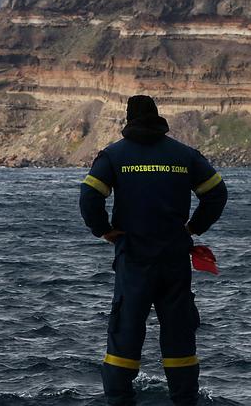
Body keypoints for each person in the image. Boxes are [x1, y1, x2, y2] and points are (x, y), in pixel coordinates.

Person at [79, 95, 229, 406]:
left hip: (134, 259)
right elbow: (216, 193)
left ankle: (120, 399)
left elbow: (89, 197)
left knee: (126, 329)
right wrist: (193, 228)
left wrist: (104, 230)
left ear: (128, 118)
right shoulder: (184, 155)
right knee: (178, 331)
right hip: (174, 258)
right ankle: (184, 399)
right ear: (157, 117)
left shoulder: (113, 156)